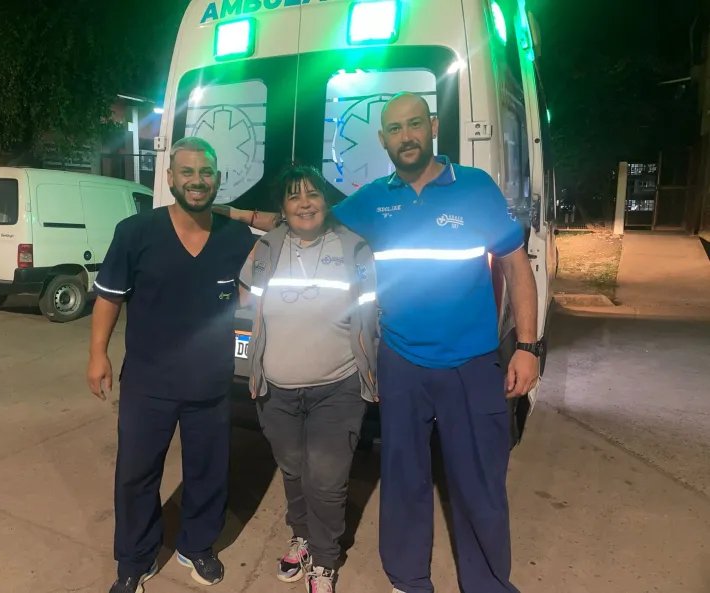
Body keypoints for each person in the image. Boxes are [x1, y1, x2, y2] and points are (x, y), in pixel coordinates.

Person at [216, 92, 541, 593]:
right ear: (383, 139)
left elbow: (517, 266)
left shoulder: (475, 186)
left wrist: (527, 346)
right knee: (405, 479)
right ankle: (408, 580)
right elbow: (306, 217)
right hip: (401, 360)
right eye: (395, 129)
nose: (406, 136)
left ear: (433, 126)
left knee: (480, 483)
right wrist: (235, 216)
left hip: (472, 362)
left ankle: (488, 584)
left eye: (414, 124)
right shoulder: (372, 199)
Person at [87, 137, 257, 593]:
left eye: (206, 172)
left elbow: (251, 297)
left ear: (218, 179)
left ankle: (196, 546)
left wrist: (252, 356)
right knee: (136, 474)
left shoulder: (236, 239)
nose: (197, 181)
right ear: (170, 178)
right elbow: (109, 298)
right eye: (187, 172)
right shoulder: (135, 232)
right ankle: (135, 559)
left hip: (211, 382)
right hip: (148, 382)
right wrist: (98, 354)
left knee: (208, 471)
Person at [237, 164, 378, 593]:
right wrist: (250, 366)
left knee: (328, 479)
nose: (304, 203)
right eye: (294, 196)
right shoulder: (265, 249)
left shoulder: (354, 248)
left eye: (313, 194)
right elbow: (245, 309)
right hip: (277, 391)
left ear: (326, 201)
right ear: (282, 207)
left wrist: (371, 371)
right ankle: (301, 536)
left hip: (337, 388)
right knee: (294, 470)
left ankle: (324, 559)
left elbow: (371, 316)